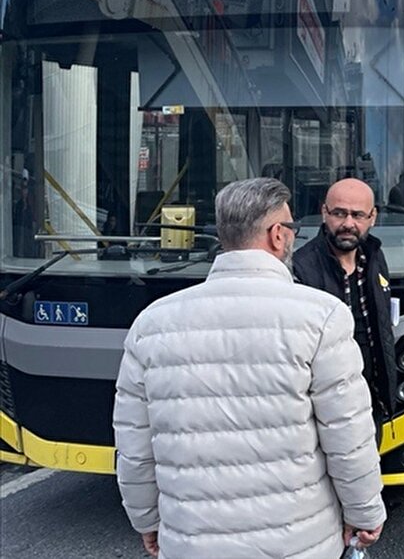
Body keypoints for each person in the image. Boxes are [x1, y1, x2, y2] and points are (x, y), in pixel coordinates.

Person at [113, 178, 386, 559]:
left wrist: (146, 520)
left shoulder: (151, 323)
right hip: (298, 543)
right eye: (291, 227)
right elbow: (347, 436)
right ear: (277, 235)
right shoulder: (322, 317)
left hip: (191, 542)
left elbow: (134, 446)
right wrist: (364, 512)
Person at [293, 178, 399, 429]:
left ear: (373, 217)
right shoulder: (301, 268)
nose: (348, 224)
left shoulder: (374, 257)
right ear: (324, 212)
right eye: (339, 213)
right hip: (325, 410)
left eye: (358, 215)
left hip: (371, 402)